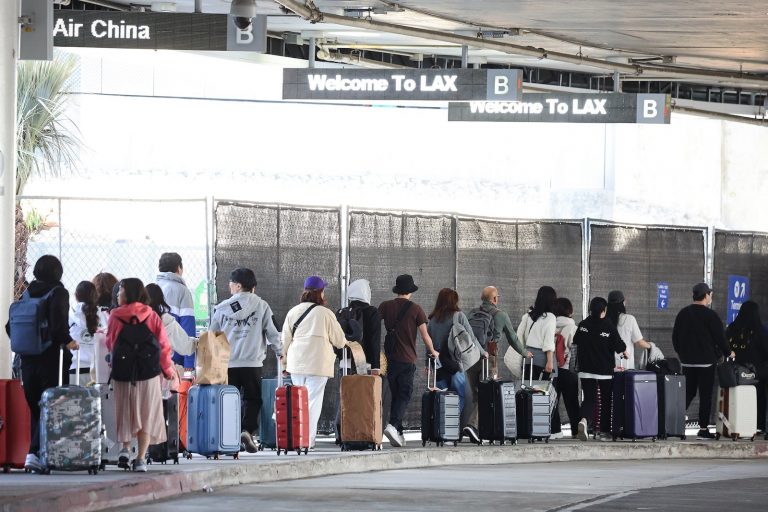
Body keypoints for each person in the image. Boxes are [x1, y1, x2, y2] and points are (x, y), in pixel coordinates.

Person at [6, 255, 78, 473]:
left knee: (37, 408)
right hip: (50, 358)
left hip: (27, 359)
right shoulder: (59, 292)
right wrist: (68, 342)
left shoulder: (26, 294)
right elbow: (58, 327)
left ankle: (36, 454)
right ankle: (36, 453)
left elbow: (10, 327)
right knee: (50, 405)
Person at [208, 268, 282, 453]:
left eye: (231, 284)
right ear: (253, 288)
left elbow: (211, 336)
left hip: (227, 363)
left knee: (227, 401)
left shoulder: (222, 308)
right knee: (253, 399)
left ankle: (228, 438)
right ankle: (246, 431)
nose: (229, 287)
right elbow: (273, 333)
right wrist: (281, 352)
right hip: (252, 364)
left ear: (238, 286)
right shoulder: (262, 306)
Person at [107, 278, 175, 472]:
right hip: (148, 372)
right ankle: (141, 459)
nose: (118, 295)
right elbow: (163, 346)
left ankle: (125, 449)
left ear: (128, 294)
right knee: (147, 413)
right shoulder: (151, 315)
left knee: (125, 410)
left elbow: (110, 343)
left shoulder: (115, 315)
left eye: (120, 291)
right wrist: (168, 370)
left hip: (123, 371)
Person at [282, 276, 346, 450]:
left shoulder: (293, 312)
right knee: (312, 402)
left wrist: (284, 365)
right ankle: (307, 440)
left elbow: (284, 341)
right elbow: (340, 341)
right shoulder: (326, 313)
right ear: (321, 292)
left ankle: (296, 438)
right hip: (318, 364)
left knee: (299, 401)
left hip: (296, 363)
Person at [378, 274, 439, 447]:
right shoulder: (416, 309)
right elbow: (425, 335)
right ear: (410, 291)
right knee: (404, 395)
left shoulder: (385, 306)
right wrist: (433, 351)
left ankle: (398, 431)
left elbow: (374, 323)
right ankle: (392, 425)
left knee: (396, 395)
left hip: (389, 360)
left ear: (397, 290)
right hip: (407, 359)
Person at [672, 282, 733, 439]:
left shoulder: (683, 313)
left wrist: (682, 354)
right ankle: (703, 429)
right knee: (705, 395)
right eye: (710, 294)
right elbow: (720, 338)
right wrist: (729, 352)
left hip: (687, 362)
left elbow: (675, 338)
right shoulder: (710, 315)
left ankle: (673, 424)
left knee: (688, 392)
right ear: (706, 295)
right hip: (706, 362)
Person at [427, 288, 486, 443]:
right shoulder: (458, 316)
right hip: (455, 364)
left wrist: (428, 364)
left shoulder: (432, 320)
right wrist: (482, 352)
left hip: (439, 365)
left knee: (442, 397)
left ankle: (441, 432)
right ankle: (450, 430)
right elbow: (471, 337)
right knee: (458, 396)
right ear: (454, 301)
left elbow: (429, 345)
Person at [573, 297, 627, 442]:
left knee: (589, 398)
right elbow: (619, 345)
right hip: (604, 371)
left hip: (585, 369)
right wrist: (624, 351)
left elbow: (575, 341)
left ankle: (584, 420)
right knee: (605, 400)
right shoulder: (608, 325)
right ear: (604, 311)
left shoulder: (583, 324)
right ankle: (604, 432)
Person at [335, 279, 382, 442]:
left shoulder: (341, 312)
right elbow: (375, 341)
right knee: (363, 398)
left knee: (343, 396)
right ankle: (361, 431)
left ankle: (341, 433)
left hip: (344, 362)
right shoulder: (373, 312)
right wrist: (376, 366)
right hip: (364, 363)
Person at [725, 300, 768, 432]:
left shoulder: (732, 328)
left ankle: (735, 423)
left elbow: (725, 345)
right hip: (756, 372)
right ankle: (758, 424)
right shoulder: (759, 330)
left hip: (735, 371)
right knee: (760, 395)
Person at [472, 286, 529, 376]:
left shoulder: (472, 313)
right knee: (491, 386)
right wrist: (524, 352)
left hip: (472, 353)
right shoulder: (501, 315)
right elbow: (512, 338)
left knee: (471, 388)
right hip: (490, 354)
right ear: (494, 298)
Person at [156, 252, 196, 374]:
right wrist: (189, 363)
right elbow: (187, 326)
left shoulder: (152, 288)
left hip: (153, 356)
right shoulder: (182, 291)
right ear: (179, 268)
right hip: (175, 359)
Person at [68, 281, 108, 385]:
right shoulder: (103, 315)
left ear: (76, 296)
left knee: (76, 400)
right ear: (95, 296)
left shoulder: (71, 314)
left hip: (75, 368)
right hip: (98, 370)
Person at [146, 283, 196, 365]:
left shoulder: (134, 319)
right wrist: (198, 342)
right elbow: (185, 346)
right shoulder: (165, 320)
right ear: (161, 299)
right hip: (161, 370)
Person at [553, 297, 580, 439]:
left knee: (553, 401)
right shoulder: (572, 328)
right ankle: (576, 431)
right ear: (570, 311)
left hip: (552, 369)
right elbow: (574, 350)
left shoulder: (550, 325)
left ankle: (555, 430)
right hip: (568, 369)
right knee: (572, 402)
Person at [517, 286, 558, 379]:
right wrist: (550, 362)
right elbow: (548, 342)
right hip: (542, 359)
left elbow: (525, 336)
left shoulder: (530, 315)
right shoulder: (550, 317)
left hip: (528, 357)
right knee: (543, 391)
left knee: (527, 389)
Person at [607, 290, 652, 370]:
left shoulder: (605, 320)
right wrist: (651, 346)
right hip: (624, 365)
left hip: (608, 365)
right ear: (623, 302)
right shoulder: (629, 319)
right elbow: (639, 342)